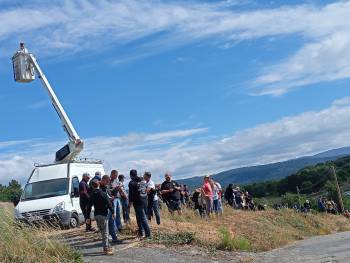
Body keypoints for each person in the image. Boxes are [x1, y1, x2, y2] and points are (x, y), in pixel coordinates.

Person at [87, 179, 115, 255]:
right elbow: (109, 204)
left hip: (96, 215)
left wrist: (87, 217)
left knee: (103, 232)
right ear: (99, 184)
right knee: (105, 232)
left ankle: (108, 246)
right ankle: (106, 248)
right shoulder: (103, 193)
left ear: (92, 186)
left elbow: (88, 207)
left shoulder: (92, 195)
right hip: (103, 214)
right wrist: (113, 212)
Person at [128, 169, 151, 239]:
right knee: (140, 217)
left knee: (142, 218)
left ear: (131, 175)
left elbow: (131, 195)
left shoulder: (131, 183)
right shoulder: (142, 180)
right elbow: (147, 189)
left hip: (137, 202)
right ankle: (141, 232)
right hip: (144, 200)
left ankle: (148, 234)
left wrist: (129, 204)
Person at [100, 175, 119, 244]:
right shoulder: (99, 187)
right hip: (104, 208)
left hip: (110, 206)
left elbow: (109, 193)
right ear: (103, 179)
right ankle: (107, 241)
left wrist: (111, 196)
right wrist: (109, 198)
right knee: (106, 225)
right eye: (107, 182)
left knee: (111, 223)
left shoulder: (106, 186)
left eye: (108, 182)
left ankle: (114, 238)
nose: (108, 183)